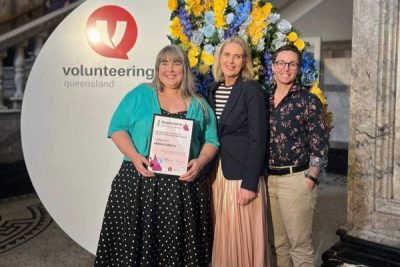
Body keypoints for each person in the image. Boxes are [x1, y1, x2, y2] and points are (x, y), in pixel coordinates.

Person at [94, 45, 219, 266]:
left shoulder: (199, 103)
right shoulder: (140, 94)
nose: (170, 69)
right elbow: (117, 128)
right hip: (139, 183)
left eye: (177, 63)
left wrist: (200, 162)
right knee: (133, 250)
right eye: (165, 62)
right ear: (157, 67)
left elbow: (212, 140)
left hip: (184, 189)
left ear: (185, 69)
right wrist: (134, 155)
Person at [208, 35, 269, 267]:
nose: (231, 61)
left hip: (242, 175)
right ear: (219, 58)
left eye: (237, 56)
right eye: (227, 55)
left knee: (239, 235)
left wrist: (249, 183)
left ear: (245, 62)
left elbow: (259, 138)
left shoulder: (251, 89)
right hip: (218, 174)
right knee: (222, 232)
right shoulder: (213, 89)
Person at [267, 44, 329, 267]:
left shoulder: (308, 101)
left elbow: (320, 143)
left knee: (299, 247)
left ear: (298, 68)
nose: (286, 68)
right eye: (281, 63)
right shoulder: (265, 99)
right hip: (270, 180)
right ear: (273, 67)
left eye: (292, 64)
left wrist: (312, 177)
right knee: (280, 246)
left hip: (297, 180)